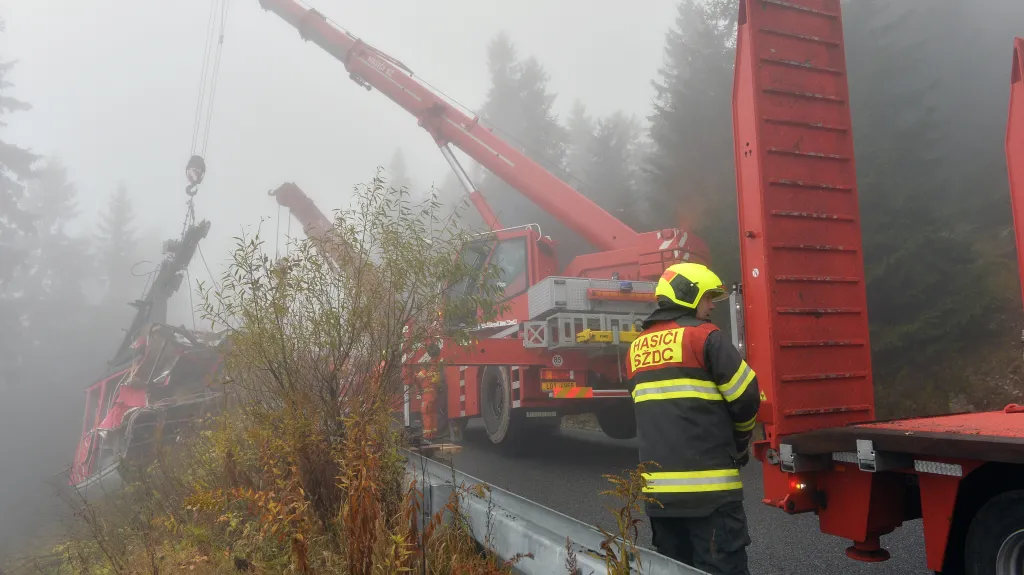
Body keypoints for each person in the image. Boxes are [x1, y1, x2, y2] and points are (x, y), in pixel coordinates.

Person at [626, 262, 760, 575]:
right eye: (707, 297)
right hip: (711, 496)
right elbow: (747, 398)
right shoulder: (705, 338)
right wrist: (740, 444)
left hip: (659, 499)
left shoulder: (635, 349)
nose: (712, 305)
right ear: (688, 296)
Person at [415, 343, 442, 442]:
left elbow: (417, 379)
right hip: (434, 395)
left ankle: (427, 437)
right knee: (433, 414)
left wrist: (414, 374)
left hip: (427, 396)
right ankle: (433, 434)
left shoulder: (424, 372)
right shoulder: (436, 368)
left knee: (426, 414)